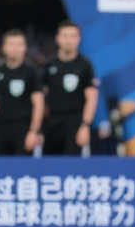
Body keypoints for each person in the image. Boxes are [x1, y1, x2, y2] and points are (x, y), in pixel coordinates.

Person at [42, 20, 98, 155]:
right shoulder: (49, 65)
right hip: (51, 123)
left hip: (75, 122)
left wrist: (85, 125)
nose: (68, 40)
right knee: (48, 164)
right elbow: (41, 97)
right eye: (65, 36)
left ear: (79, 39)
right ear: (57, 38)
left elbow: (92, 98)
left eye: (73, 36)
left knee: (72, 164)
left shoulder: (85, 65)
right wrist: (39, 128)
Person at [0, 30, 43, 155]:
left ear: (25, 48)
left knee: (23, 166)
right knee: (1, 166)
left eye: (19, 44)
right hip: (1, 129)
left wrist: (34, 131)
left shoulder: (32, 72)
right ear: (4, 48)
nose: (15, 48)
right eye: (11, 44)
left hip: (24, 129)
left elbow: (38, 104)